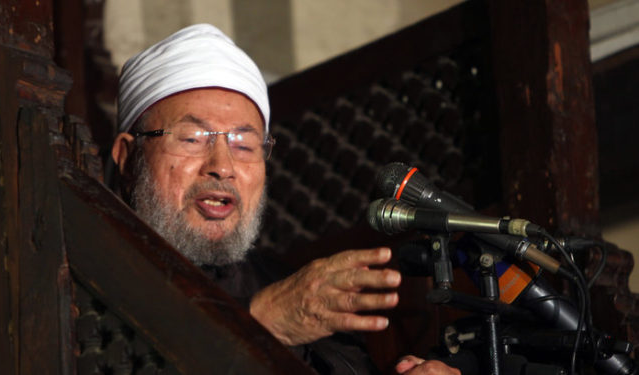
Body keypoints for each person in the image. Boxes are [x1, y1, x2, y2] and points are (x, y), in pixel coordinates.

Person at [111, 23, 459, 375]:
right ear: (128, 159)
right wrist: (260, 323)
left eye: (244, 145)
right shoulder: (86, 269)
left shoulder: (298, 287)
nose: (222, 167)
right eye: (191, 139)